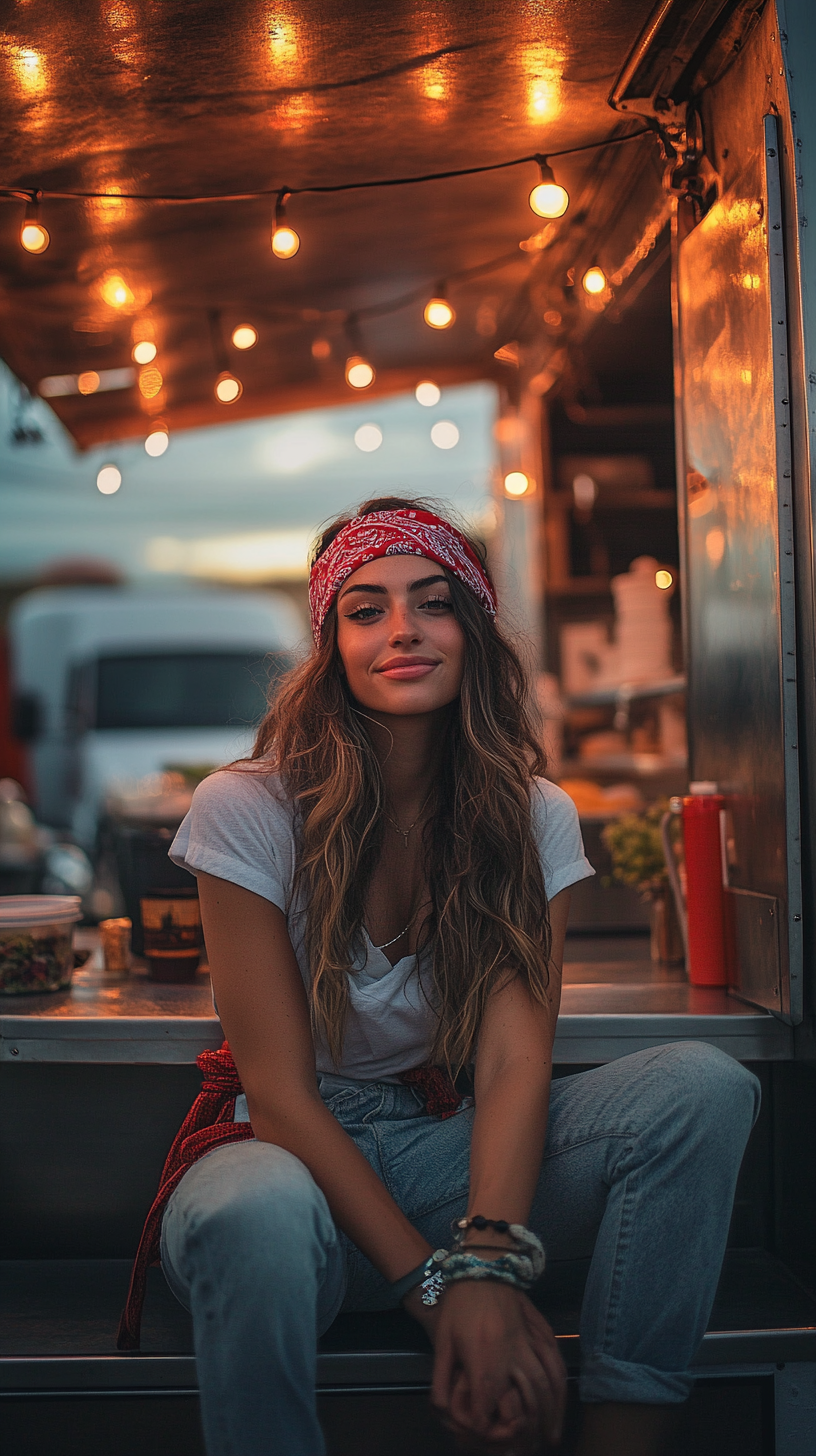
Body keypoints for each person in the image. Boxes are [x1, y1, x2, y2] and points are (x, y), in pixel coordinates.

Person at [152, 497, 759, 1455]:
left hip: (447, 1157)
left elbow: (516, 1066)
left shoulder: (531, 816)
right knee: (254, 1209)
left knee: (703, 1088)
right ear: (331, 645)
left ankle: (624, 1438)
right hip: (292, 1174)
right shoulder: (248, 806)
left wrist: (487, 1261)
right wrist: (441, 1296)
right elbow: (278, 1095)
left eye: (432, 603)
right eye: (366, 609)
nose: (402, 630)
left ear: (471, 630)